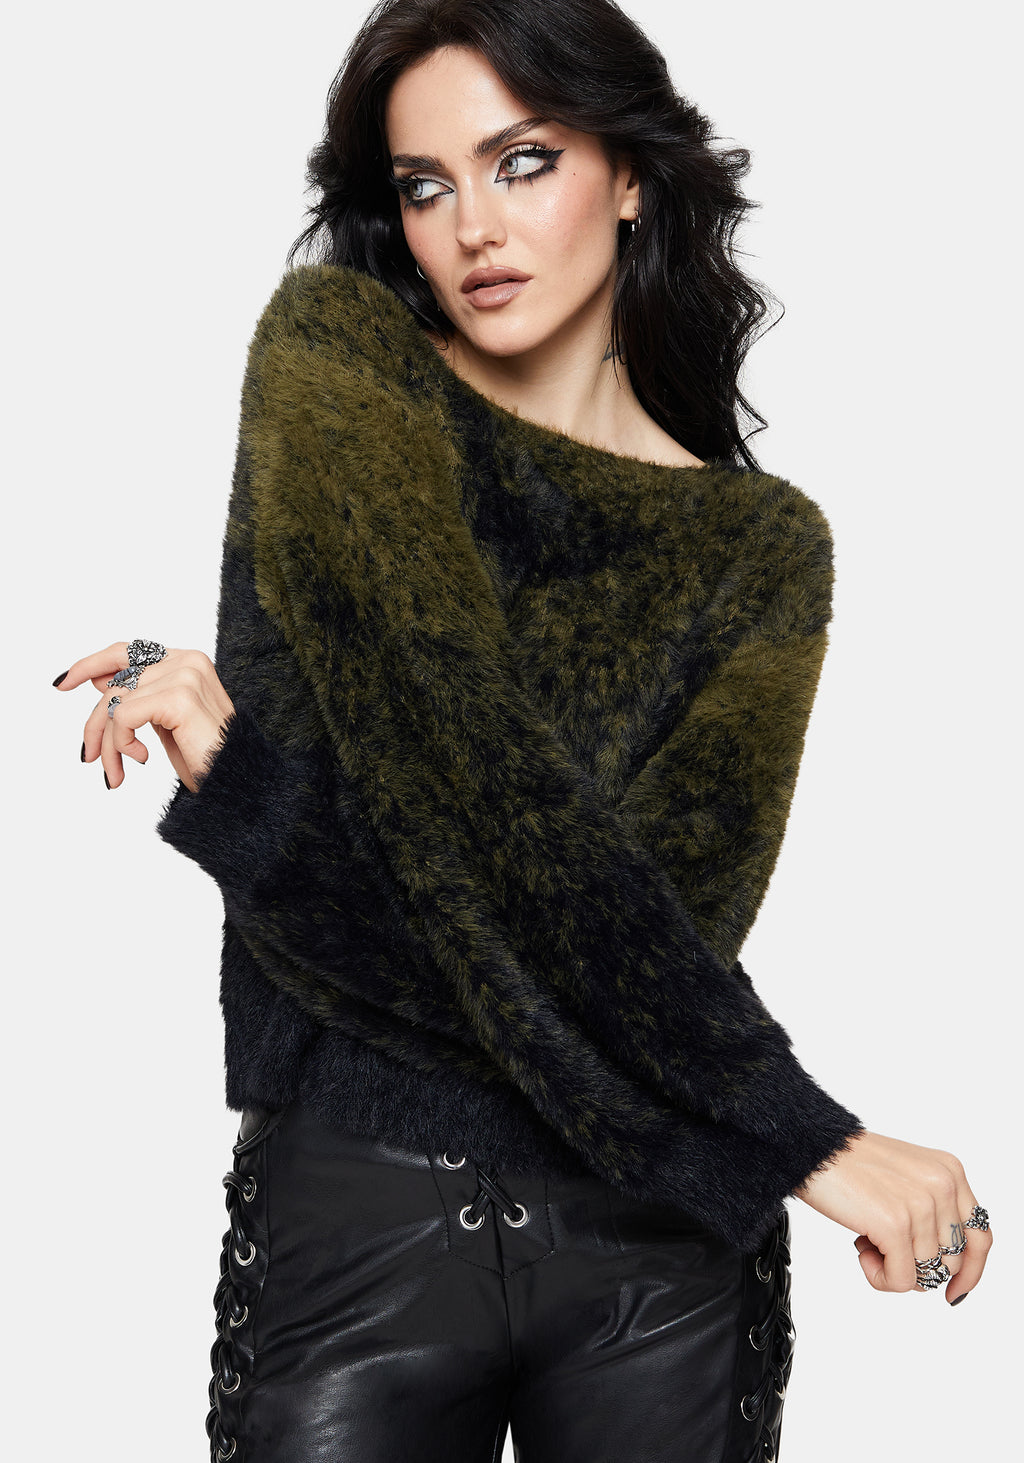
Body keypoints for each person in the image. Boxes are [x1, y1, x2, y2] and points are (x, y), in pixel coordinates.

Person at [51, 2, 992, 1459]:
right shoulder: (338, 365)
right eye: (425, 185)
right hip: (363, 1212)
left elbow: (638, 938)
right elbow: (473, 828)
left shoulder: (761, 550)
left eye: (523, 161)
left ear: (632, 175)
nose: (473, 226)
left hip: (662, 1251)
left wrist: (255, 799)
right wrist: (800, 1140)